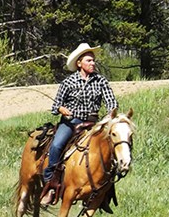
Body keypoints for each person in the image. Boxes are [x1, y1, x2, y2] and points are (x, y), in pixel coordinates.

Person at [41, 43, 118, 204]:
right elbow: (56, 105)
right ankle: (51, 182)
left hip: (92, 123)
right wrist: (62, 110)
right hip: (71, 123)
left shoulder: (101, 81)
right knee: (56, 145)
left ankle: (105, 192)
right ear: (79, 63)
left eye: (93, 60)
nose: (93, 63)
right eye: (89, 60)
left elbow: (111, 101)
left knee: (111, 149)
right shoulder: (68, 82)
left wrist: (111, 113)